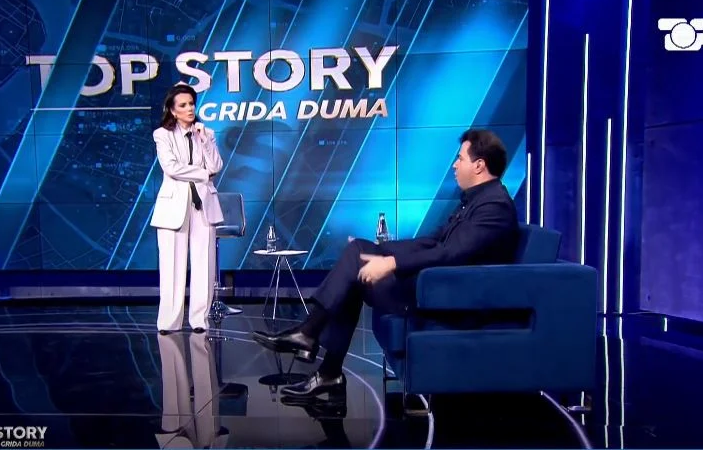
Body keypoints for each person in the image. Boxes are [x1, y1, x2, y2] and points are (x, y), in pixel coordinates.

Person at [251, 128, 520, 397]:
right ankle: (323, 363)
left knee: (354, 269)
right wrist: (381, 250)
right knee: (358, 252)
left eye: (460, 158)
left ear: (479, 165)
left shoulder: (493, 206)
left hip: (451, 298)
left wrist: (391, 263)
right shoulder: (476, 201)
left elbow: (451, 253)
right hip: (439, 286)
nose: (454, 165)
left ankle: (315, 347)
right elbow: (432, 241)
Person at [151, 84, 224, 334]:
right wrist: (203, 174)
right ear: (172, 110)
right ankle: (169, 322)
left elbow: (216, 165)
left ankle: (199, 320)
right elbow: (171, 168)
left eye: (191, 103)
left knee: (204, 264)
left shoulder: (206, 133)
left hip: (203, 204)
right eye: (183, 105)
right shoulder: (163, 135)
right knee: (172, 265)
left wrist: (204, 141)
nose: (189, 108)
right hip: (174, 206)